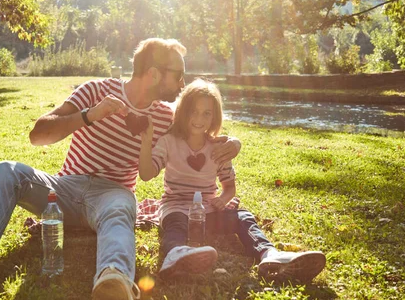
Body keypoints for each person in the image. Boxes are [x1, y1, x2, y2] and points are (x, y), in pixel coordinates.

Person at [0, 38, 242, 300]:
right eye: (176, 73)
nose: (181, 80)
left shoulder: (167, 115)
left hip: (112, 196)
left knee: (124, 202)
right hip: (62, 190)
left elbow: (205, 133)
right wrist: (89, 115)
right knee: (8, 170)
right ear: (154, 72)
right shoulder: (95, 89)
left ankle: (114, 279)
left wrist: (236, 143)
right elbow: (38, 135)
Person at [138, 78, 326, 283]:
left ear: (215, 117)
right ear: (183, 111)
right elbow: (146, 174)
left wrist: (223, 200)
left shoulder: (219, 148)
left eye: (206, 113)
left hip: (208, 211)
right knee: (176, 226)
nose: (199, 118)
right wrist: (146, 142)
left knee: (243, 217)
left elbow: (229, 188)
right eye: (193, 111)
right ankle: (175, 255)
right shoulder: (168, 142)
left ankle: (269, 255)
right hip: (176, 208)